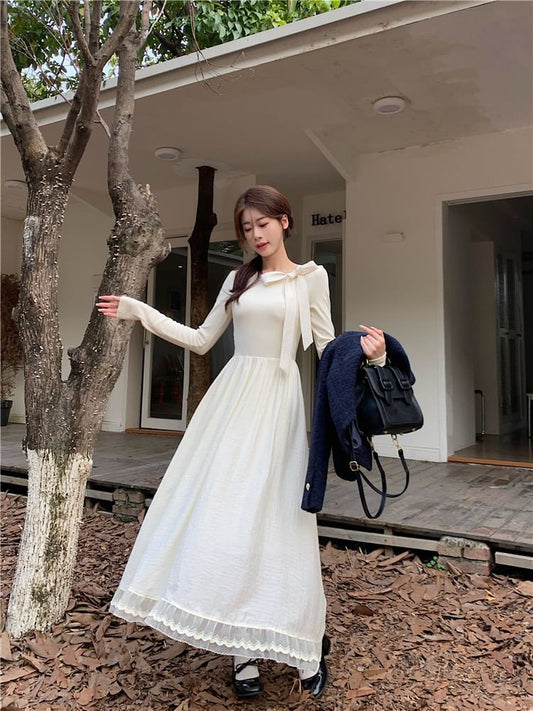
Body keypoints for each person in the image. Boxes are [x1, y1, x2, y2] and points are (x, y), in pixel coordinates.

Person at [96, 185, 385, 699]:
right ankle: (241, 650)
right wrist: (141, 311)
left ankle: (305, 646)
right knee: (228, 518)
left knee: (282, 523)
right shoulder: (238, 278)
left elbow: (327, 349)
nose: (255, 235)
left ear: (285, 221)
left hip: (278, 407)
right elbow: (201, 339)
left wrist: (373, 356)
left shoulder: (310, 278)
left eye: (263, 224)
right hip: (231, 405)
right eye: (247, 228)